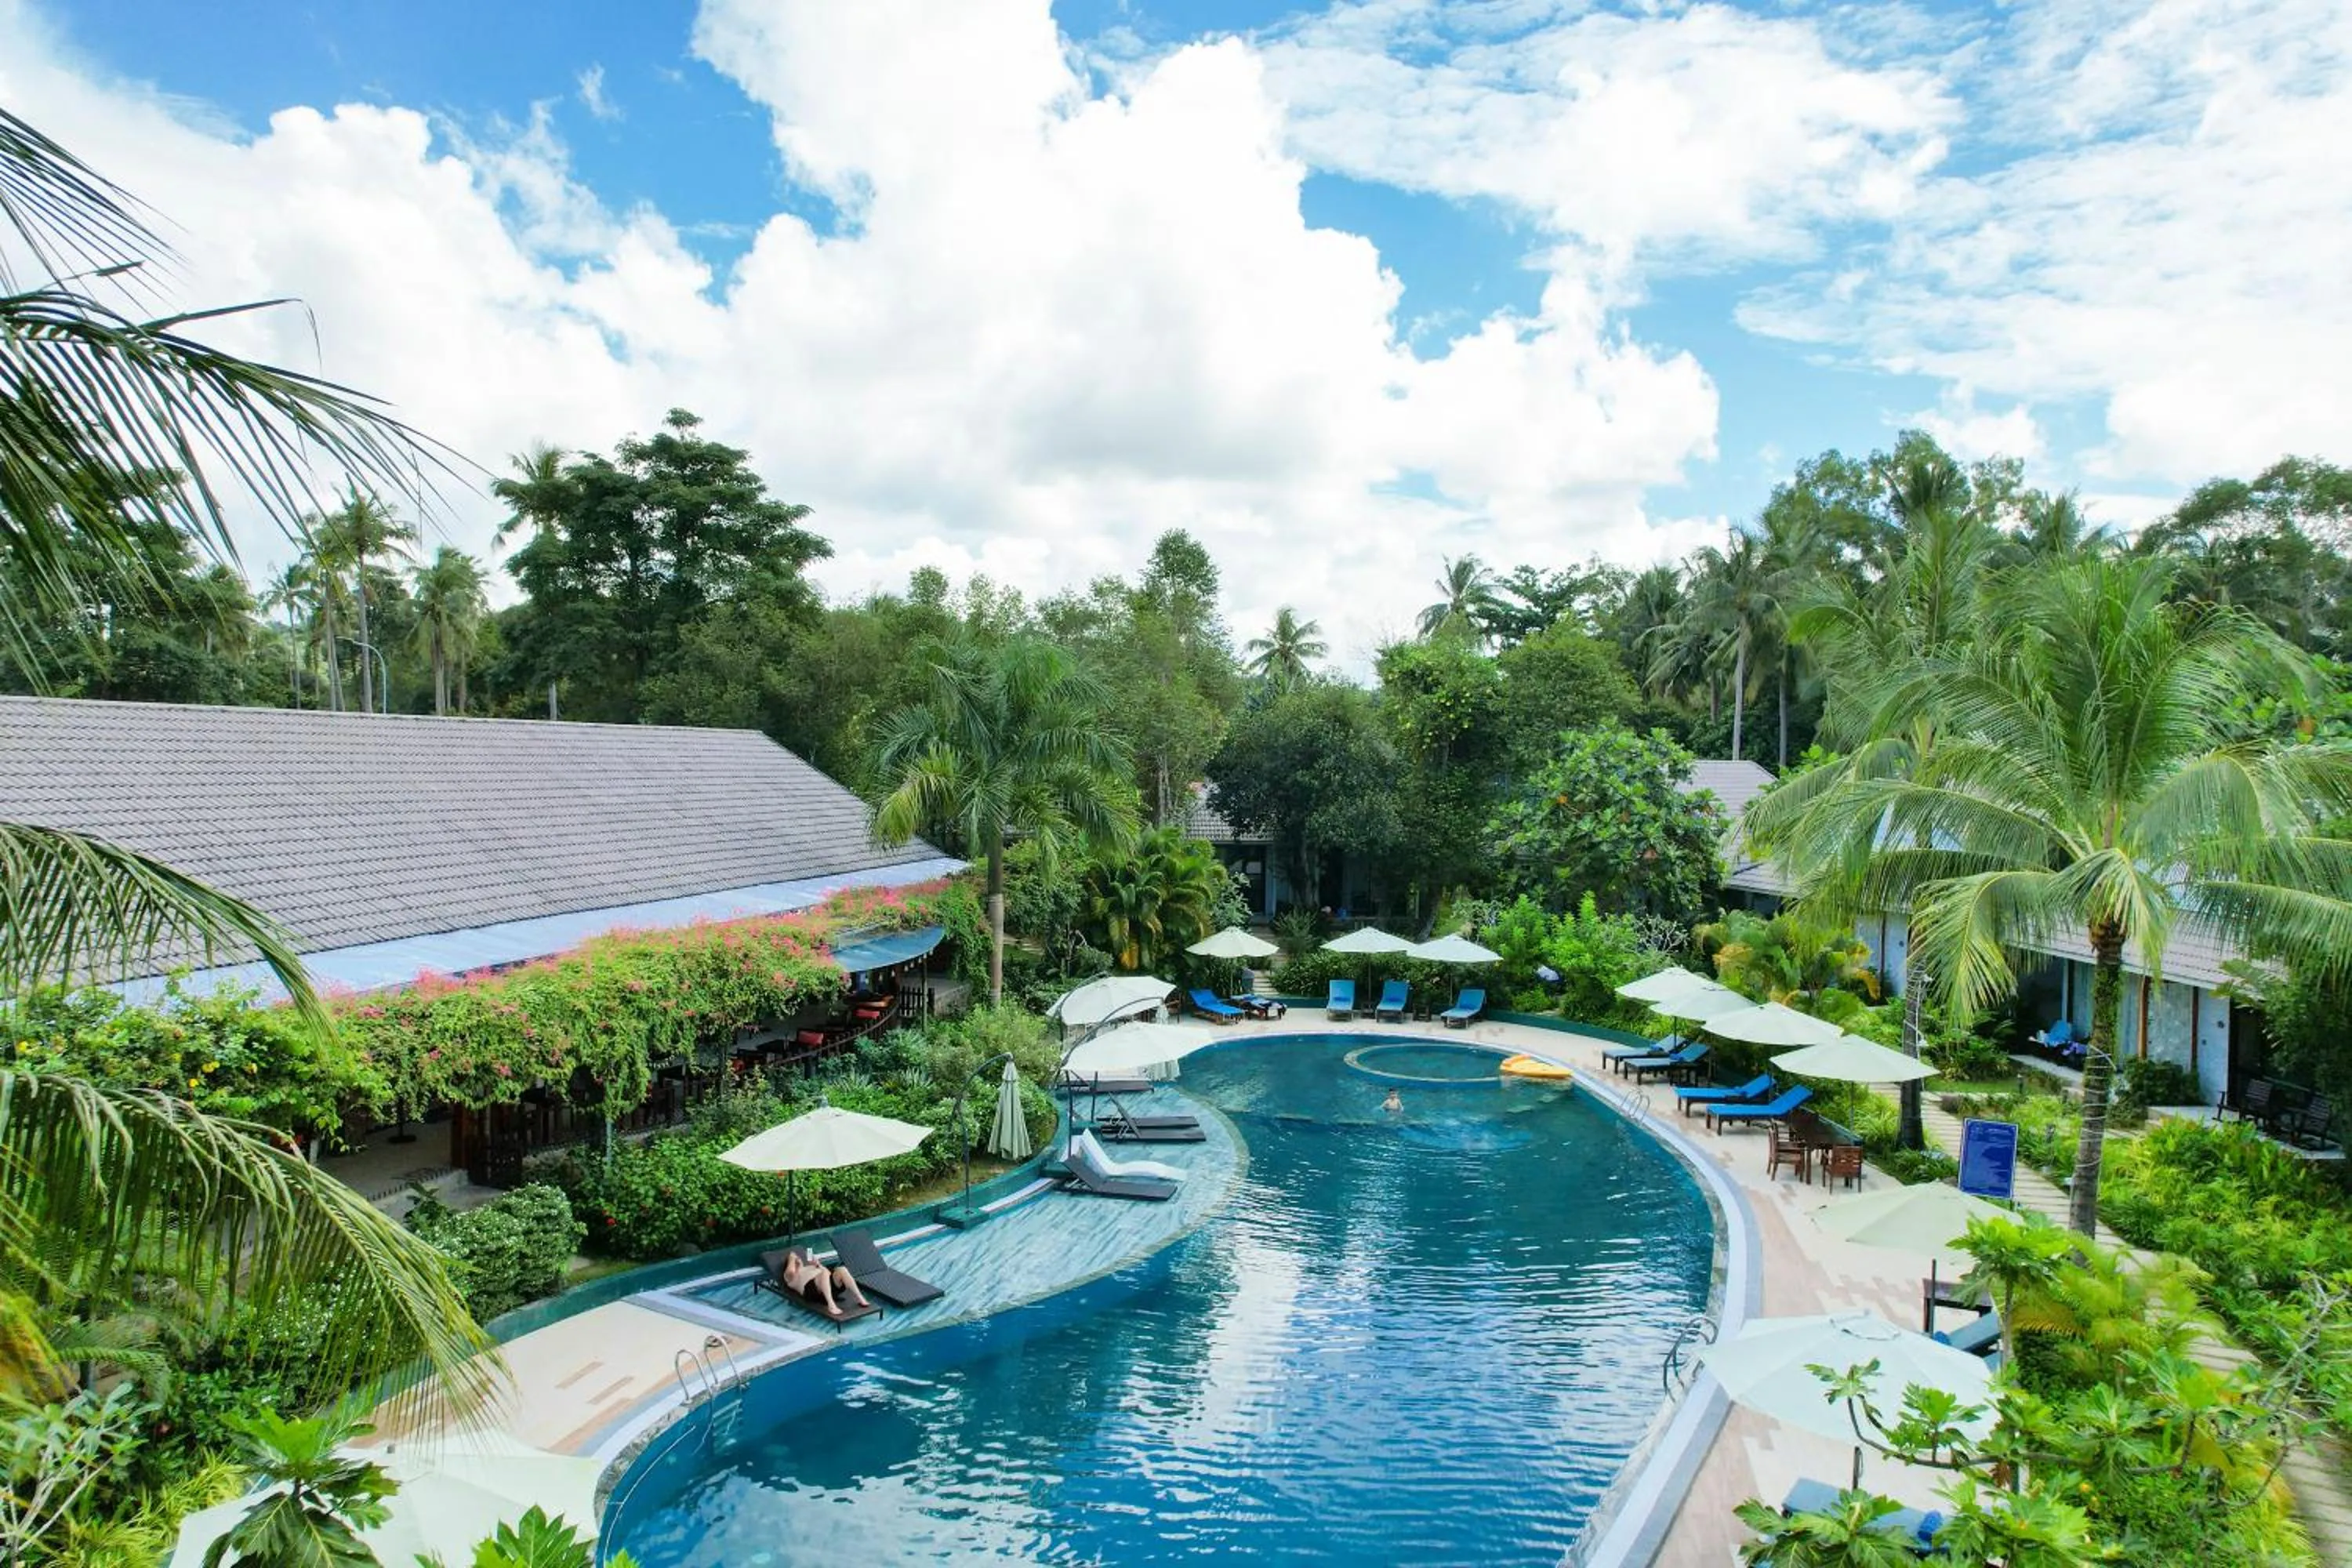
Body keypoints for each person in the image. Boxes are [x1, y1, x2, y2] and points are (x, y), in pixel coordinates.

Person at [780, 1246, 871, 1316]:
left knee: (842, 1269)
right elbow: (791, 1270)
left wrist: (818, 1264)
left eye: (798, 1259)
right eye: (796, 1260)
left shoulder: (808, 1267)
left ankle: (860, 1298)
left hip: (827, 1287)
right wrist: (792, 1257)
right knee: (823, 1273)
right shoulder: (790, 1277)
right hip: (812, 1292)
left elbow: (827, 1273)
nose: (799, 1259)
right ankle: (831, 1305)